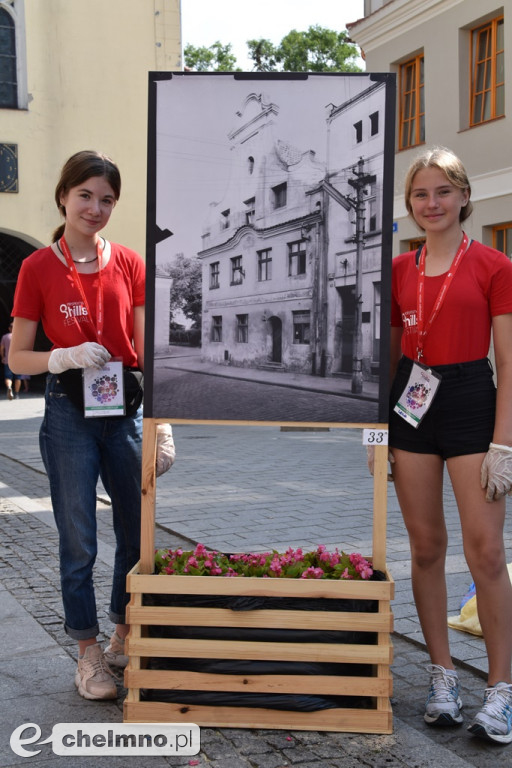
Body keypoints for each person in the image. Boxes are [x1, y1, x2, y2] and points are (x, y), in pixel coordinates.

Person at [9, 150, 175, 701]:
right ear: (64, 196)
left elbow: (149, 348)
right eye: (85, 195)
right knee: (79, 538)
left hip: (124, 410)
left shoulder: (129, 263)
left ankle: (123, 636)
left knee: (136, 529)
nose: (95, 208)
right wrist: (59, 357)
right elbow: (18, 360)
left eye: (107, 199)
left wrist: (163, 419)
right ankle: (87, 654)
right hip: (68, 414)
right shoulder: (37, 268)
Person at [387, 146, 512, 744]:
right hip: (411, 404)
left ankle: (501, 690)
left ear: (464, 196)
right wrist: (378, 430)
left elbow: (510, 364)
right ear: (410, 204)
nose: (431, 203)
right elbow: (385, 357)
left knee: (486, 551)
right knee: (426, 546)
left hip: (469, 401)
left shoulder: (493, 265)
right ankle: (441, 677)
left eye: (442, 191)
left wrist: (504, 443)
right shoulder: (397, 270)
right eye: (420, 194)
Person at [1, 323, 22, 399]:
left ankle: (9, 387)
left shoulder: (5, 337)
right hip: (18, 361)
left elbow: (2, 349)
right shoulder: (20, 337)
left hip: (8, 360)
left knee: (8, 377)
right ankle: (17, 394)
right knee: (18, 378)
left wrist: (3, 357)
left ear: (9, 328)